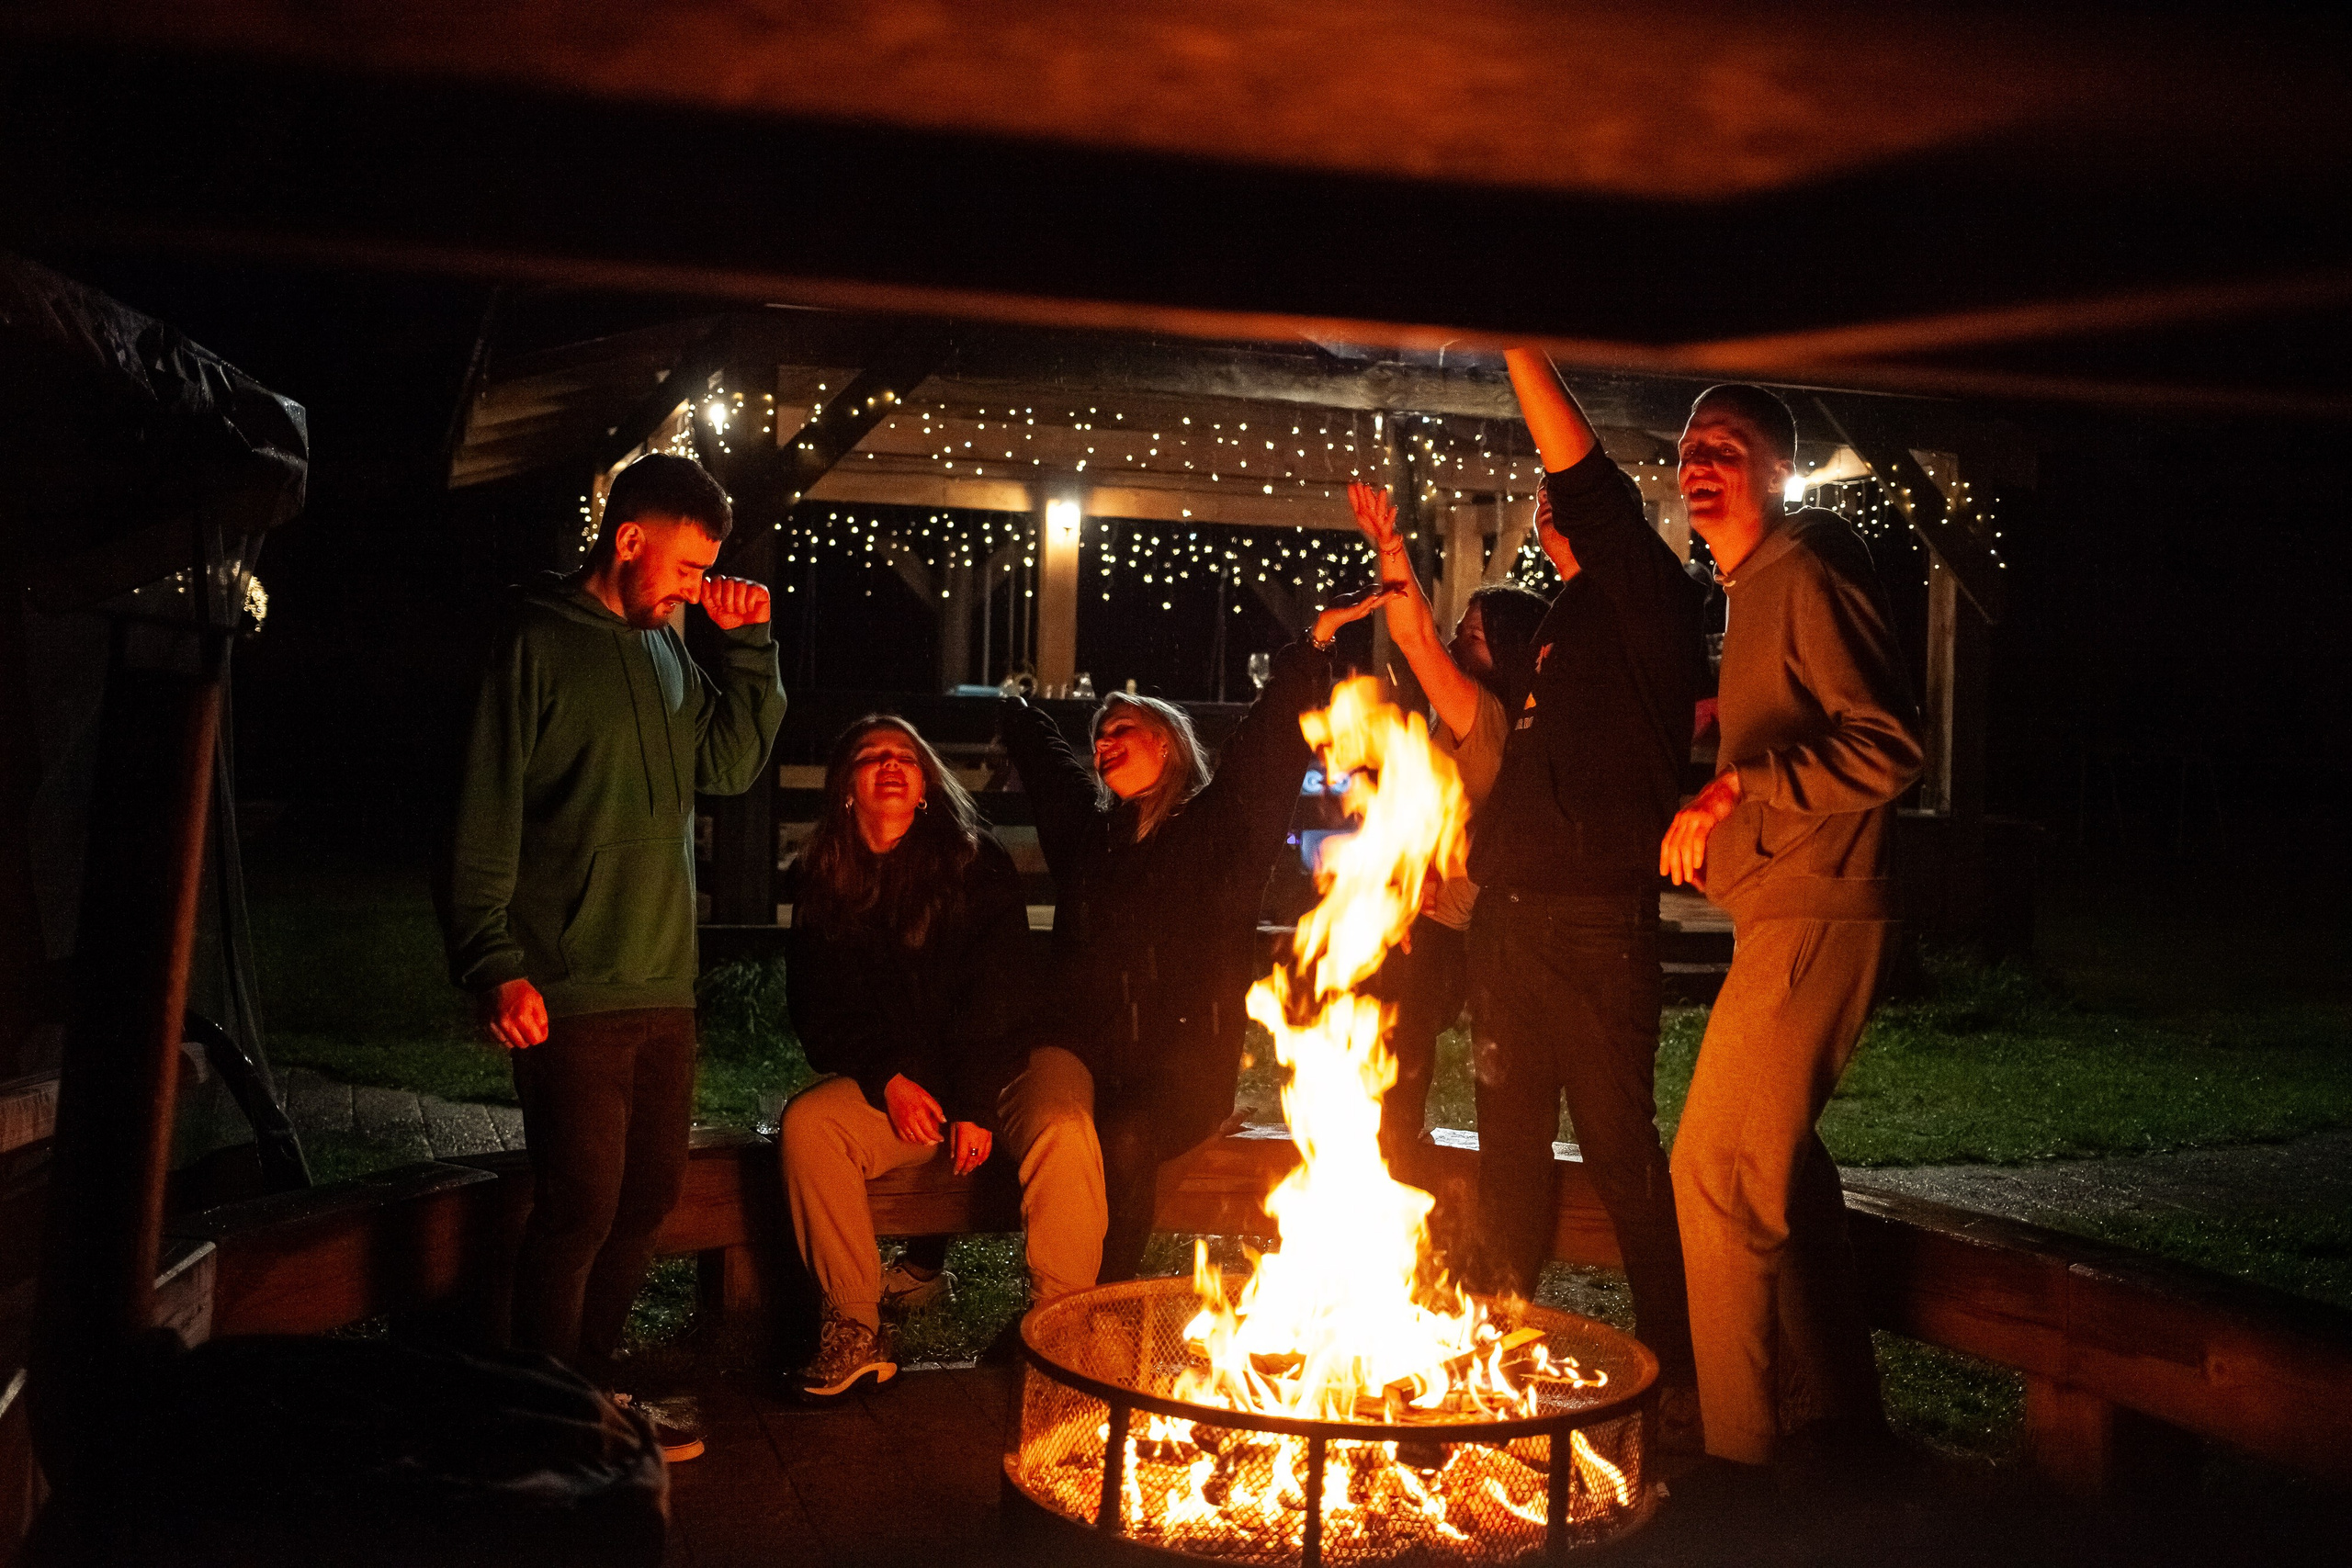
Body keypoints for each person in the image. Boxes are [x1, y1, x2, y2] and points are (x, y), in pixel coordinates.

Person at [441, 453, 787, 1462]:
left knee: (645, 1200)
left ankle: (587, 1389)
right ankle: (547, 1416)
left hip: (660, 979)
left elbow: (725, 763)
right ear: (628, 539)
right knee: (581, 1203)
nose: (693, 585)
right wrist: (490, 957)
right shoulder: (535, 640)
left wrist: (747, 645)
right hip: (568, 982)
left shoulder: (666, 645)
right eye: (684, 567)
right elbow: (481, 805)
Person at [1658, 384, 1923, 1472]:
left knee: (1714, 1170)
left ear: (1778, 470)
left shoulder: (1807, 566)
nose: (1699, 461)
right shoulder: (1754, 584)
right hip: (1784, 906)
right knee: (1785, 1175)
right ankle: (1835, 1427)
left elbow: (1891, 745)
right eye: (1686, 448)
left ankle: (1741, 1462)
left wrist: (1738, 787)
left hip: (1821, 907)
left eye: (1727, 445)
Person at [1464, 349, 1708, 1425]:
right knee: (1507, 1149)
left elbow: (1592, 494)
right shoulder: (1558, 618)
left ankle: (1683, 1373)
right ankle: (1486, 1355)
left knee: (1620, 1154)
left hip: (1596, 932)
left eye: (1556, 504)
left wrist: (1518, 348)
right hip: (1507, 932)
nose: (1545, 509)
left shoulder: (1651, 607)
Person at [1002, 604, 1383, 1283]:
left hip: (1181, 1073)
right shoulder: (1093, 840)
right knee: (1081, 1127)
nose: (1103, 743)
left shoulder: (1222, 832)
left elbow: (1266, 748)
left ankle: (1097, 1301)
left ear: (1169, 743)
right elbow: (1051, 771)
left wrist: (1315, 641)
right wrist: (1019, 711)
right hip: (1093, 1057)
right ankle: (1062, 1310)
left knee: (1122, 1136)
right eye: (1098, 737)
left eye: (1123, 728)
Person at [779, 716, 1105, 1398]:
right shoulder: (822, 882)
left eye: (906, 754)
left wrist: (976, 1102)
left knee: (1064, 1131)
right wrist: (888, 1076)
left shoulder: (973, 860)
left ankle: (1060, 1333)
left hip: (1014, 1063)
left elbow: (1002, 993)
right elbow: (819, 1014)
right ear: (846, 789)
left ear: (926, 783)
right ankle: (855, 1327)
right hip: (912, 1084)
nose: (891, 764)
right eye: (871, 756)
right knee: (812, 1125)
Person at [1340, 482, 1548, 1171]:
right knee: (1387, 1068)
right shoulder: (1481, 719)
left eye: (1476, 633)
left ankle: (1385, 1189)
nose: (1460, 638)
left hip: (1433, 929)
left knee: (1393, 1075)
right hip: (1421, 917)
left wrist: (1391, 548)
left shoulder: (1479, 714)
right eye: (1462, 625)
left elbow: (1413, 633)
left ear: (1509, 652)